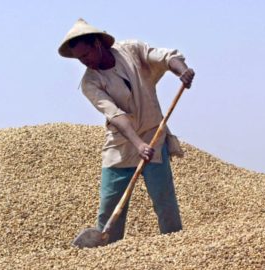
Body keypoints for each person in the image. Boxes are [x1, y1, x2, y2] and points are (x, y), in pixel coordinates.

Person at [58, 18, 195, 244]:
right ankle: (109, 251)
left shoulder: (131, 51)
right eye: (79, 58)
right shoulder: (90, 83)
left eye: (86, 55)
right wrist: (137, 144)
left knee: (164, 199)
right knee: (110, 206)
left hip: (153, 137)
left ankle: (175, 245)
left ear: (98, 45)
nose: (84, 62)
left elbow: (165, 57)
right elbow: (115, 115)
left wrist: (182, 72)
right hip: (120, 146)